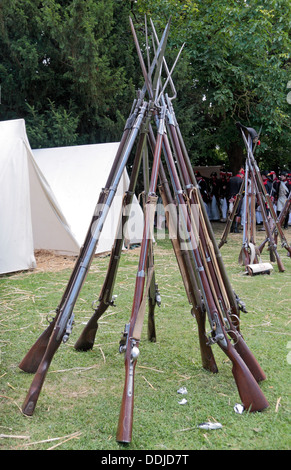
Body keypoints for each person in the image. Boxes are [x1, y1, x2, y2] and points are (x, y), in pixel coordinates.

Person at [226, 168, 244, 232]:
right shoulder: (241, 181)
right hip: (237, 197)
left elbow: (227, 189)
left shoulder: (231, 179)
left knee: (231, 212)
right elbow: (242, 191)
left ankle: (230, 228)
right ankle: (236, 228)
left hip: (230, 197)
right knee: (237, 213)